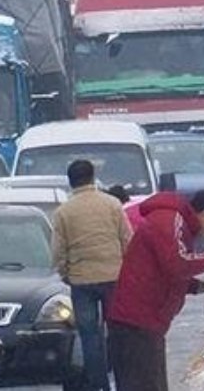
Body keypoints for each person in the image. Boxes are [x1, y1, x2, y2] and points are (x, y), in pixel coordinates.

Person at [107, 190, 204, 391]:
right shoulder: (169, 220)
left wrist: (195, 286)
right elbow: (177, 264)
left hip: (146, 321)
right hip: (137, 320)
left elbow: (166, 272)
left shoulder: (179, 226)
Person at [51, 160, 133, 391]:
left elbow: (58, 249)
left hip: (81, 280)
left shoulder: (63, 212)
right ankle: (123, 381)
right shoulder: (112, 204)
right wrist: (125, 268)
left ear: (71, 181)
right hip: (113, 276)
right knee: (116, 331)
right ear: (92, 177)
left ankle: (100, 385)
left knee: (89, 337)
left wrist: (65, 272)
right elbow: (127, 238)